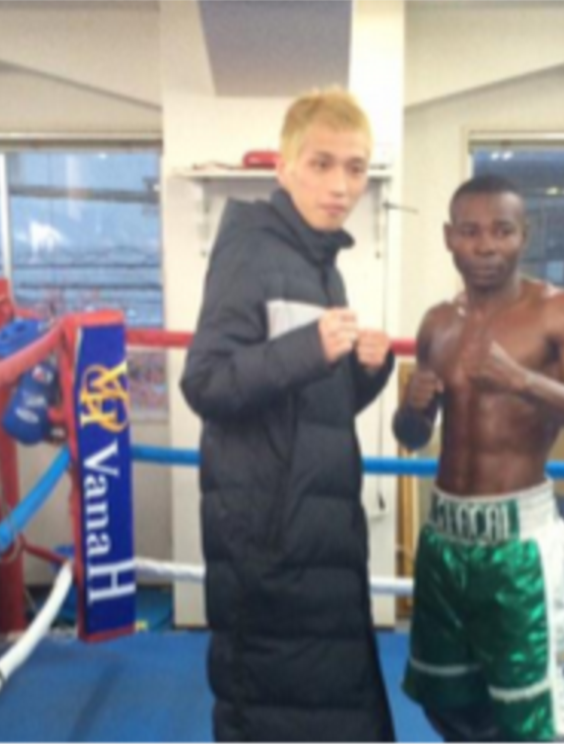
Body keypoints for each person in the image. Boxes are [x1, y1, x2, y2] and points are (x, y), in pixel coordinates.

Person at [181, 88, 396, 744]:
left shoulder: (319, 262)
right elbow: (207, 382)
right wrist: (308, 349)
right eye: (322, 164)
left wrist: (366, 371)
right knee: (274, 717)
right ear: (285, 166)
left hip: (319, 537)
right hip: (270, 546)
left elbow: (309, 410)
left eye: (356, 168)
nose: (340, 185)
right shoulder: (253, 249)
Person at [393, 174, 564, 744]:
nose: (486, 246)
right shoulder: (438, 324)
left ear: (524, 236)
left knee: (538, 718)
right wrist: (412, 410)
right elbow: (412, 435)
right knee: (448, 703)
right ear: (450, 238)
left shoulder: (560, 313)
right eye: (471, 232)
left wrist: (524, 382)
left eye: (501, 231)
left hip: (519, 547)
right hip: (445, 540)